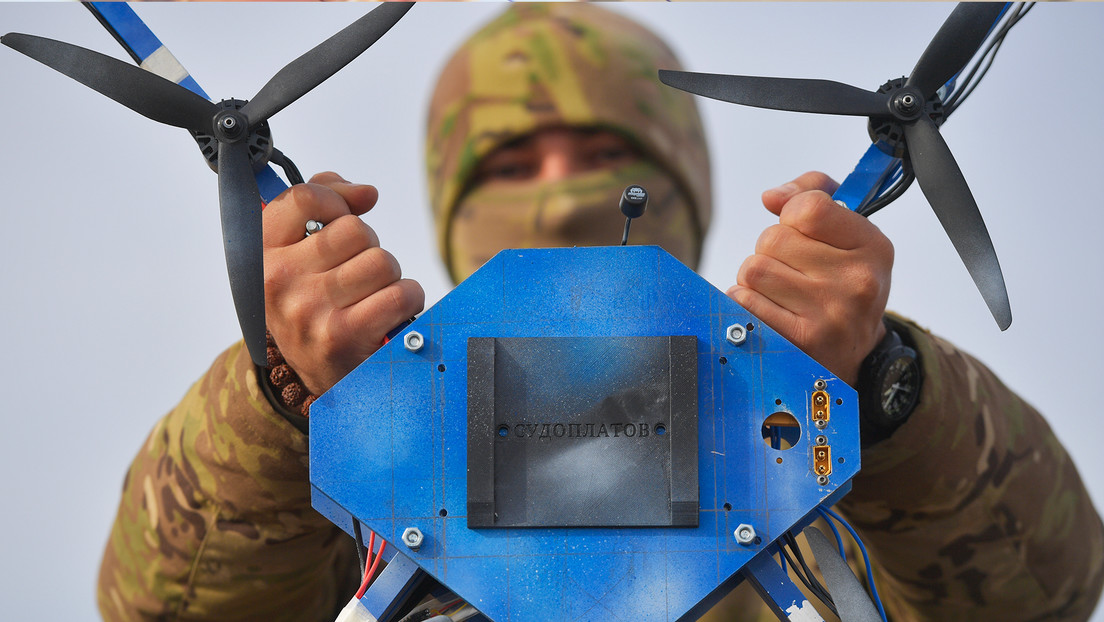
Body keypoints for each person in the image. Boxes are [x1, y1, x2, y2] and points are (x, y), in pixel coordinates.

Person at [97, 4, 1103, 621]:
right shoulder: (371, 429)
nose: (564, 186)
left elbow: (1045, 595)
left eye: (602, 155)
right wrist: (285, 398)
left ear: (682, 186)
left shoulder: (800, 421)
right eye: (515, 161)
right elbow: (156, 608)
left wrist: (881, 392)